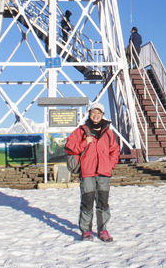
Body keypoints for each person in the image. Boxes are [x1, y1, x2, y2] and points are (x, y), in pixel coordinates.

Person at [64, 102, 120, 242]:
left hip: (103, 173)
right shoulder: (81, 131)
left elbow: (115, 151)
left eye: (99, 113)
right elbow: (69, 146)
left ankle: (103, 230)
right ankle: (86, 231)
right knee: (87, 203)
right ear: (89, 113)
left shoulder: (108, 133)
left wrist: (109, 165)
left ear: (102, 115)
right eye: (94, 112)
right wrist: (84, 143)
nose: (96, 115)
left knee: (103, 203)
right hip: (87, 172)